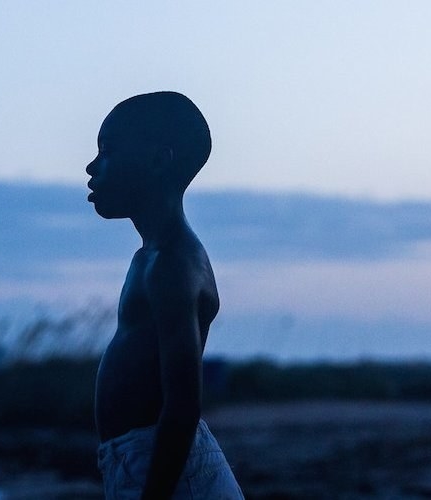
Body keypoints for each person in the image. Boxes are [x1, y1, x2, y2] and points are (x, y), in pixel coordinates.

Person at [87, 92, 243, 499]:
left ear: (159, 160)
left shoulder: (173, 264)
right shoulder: (151, 258)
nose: (91, 167)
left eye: (107, 151)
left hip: (172, 472)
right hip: (145, 461)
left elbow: (182, 406)